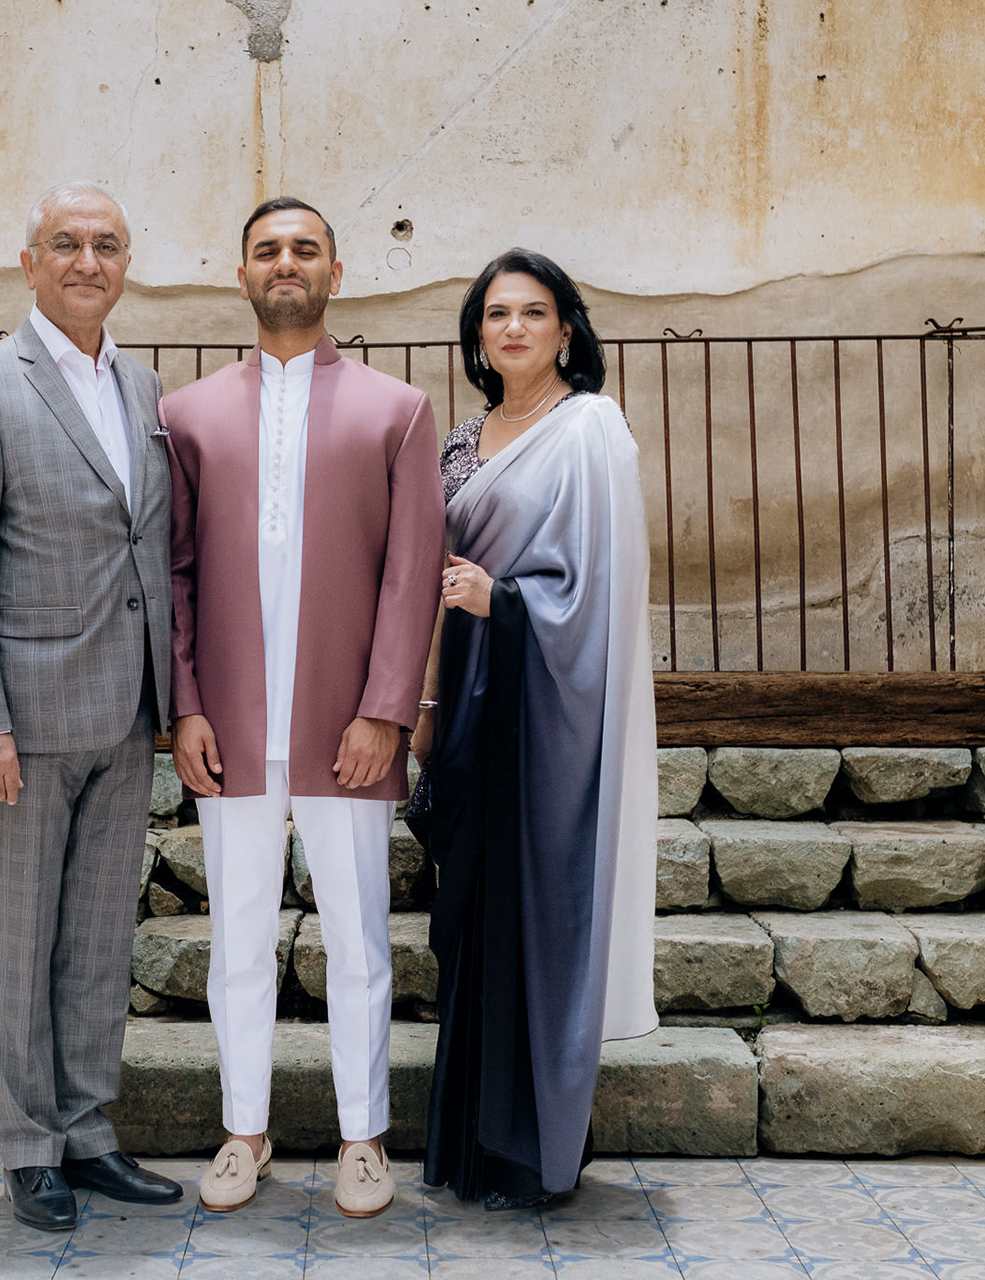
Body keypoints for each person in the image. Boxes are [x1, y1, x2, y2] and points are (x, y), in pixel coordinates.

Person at [163, 197, 445, 1219]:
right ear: (240, 274)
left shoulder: (397, 411)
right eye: (267, 250)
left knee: (359, 938)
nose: (286, 262)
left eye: (305, 249)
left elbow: (412, 572)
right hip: (230, 727)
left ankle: (364, 1138)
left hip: (347, 726)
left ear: (336, 272)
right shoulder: (187, 415)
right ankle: (245, 1131)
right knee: (236, 939)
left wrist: (387, 711)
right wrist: (186, 706)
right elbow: (174, 573)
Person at [0, 180, 182, 1231]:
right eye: (66, 243)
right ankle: (30, 1145)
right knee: (25, 938)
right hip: (25, 723)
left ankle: (87, 1128)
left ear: (125, 266)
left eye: (106, 244)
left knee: (99, 939)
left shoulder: (145, 385)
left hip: (127, 713)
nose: (88, 260)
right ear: (30, 264)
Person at [413, 248, 658, 1209]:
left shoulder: (590, 428)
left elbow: (601, 592)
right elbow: (429, 578)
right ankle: (471, 1143)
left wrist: (504, 600)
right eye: (496, 314)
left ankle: (533, 1151)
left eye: (533, 312)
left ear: (565, 330)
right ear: (478, 335)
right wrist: (428, 703)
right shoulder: (461, 441)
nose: (513, 327)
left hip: (548, 717)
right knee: (467, 920)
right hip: (470, 712)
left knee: (539, 916)